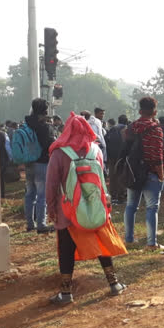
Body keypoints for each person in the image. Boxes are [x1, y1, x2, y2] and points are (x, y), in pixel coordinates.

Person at [44, 112, 128, 305]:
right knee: (102, 243)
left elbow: (51, 184)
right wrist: (106, 205)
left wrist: (51, 208)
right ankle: (114, 283)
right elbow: (102, 180)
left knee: (66, 248)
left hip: (68, 210)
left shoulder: (59, 152)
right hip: (96, 207)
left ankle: (65, 293)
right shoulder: (95, 150)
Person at [124, 98, 164, 250]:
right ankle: (151, 243)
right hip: (150, 172)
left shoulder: (131, 127)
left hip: (133, 172)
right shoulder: (155, 129)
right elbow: (157, 155)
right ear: (155, 112)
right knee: (151, 208)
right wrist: (161, 174)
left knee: (131, 206)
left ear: (139, 111)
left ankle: (129, 239)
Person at [24, 98, 56, 233]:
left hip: (29, 163)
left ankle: (30, 223)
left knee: (30, 194)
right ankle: (41, 225)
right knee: (42, 195)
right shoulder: (45, 127)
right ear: (44, 111)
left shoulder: (26, 124)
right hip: (42, 163)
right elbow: (49, 145)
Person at [105, 114, 129, 204]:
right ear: (126, 121)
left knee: (112, 177)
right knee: (122, 176)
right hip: (122, 158)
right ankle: (121, 197)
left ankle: (113, 196)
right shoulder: (126, 130)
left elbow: (106, 141)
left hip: (111, 158)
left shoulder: (112, 129)